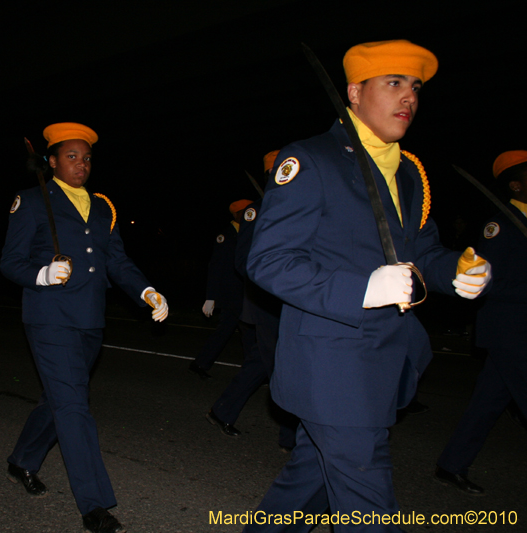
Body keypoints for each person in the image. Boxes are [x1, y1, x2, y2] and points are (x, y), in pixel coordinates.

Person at [243, 40, 491, 531]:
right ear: (355, 93)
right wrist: (361, 289)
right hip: (332, 366)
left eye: (415, 87)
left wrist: (458, 272)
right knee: (368, 508)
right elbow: (268, 260)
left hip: (383, 358)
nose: (409, 98)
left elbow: (420, 253)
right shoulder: (312, 160)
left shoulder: (408, 173)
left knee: (304, 485)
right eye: (394, 83)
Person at [0, 122, 168, 533]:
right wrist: (41, 274)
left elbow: (116, 261)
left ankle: (22, 459)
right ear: (52, 161)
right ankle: (94, 505)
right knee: (74, 405)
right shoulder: (32, 200)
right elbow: (10, 262)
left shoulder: (102, 207)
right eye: (71, 157)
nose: (81, 165)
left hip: (90, 320)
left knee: (58, 400)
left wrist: (146, 290)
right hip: (50, 318)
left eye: (86, 158)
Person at [435, 150, 527, 494]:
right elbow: (484, 282)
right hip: (509, 332)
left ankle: (451, 464)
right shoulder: (500, 226)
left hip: (519, 331)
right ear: (515, 185)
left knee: (488, 402)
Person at [206, 152, 297, 451]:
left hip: (292, 304)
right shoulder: (255, 213)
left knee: (262, 363)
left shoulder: (297, 209)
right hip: (267, 304)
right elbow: (242, 262)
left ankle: (222, 411)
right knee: (285, 369)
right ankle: (291, 438)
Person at [189, 199, 252, 380]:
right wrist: (211, 297)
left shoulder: (247, 233)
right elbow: (215, 268)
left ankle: (253, 369)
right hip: (232, 295)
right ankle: (253, 369)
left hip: (245, 295)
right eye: (246, 212)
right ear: (237, 214)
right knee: (237, 331)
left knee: (243, 333)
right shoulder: (225, 236)